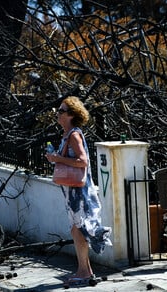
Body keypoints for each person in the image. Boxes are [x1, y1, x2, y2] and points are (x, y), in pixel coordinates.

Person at [45, 96, 112, 282]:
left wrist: (57, 159)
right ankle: (85, 271)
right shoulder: (67, 135)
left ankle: (84, 271)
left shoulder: (74, 135)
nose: (57, 114)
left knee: (79, 229)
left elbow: (83, 161)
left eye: (61, 111)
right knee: (77, 229)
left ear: (72, 115)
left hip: (79, 192)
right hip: (72, 191)